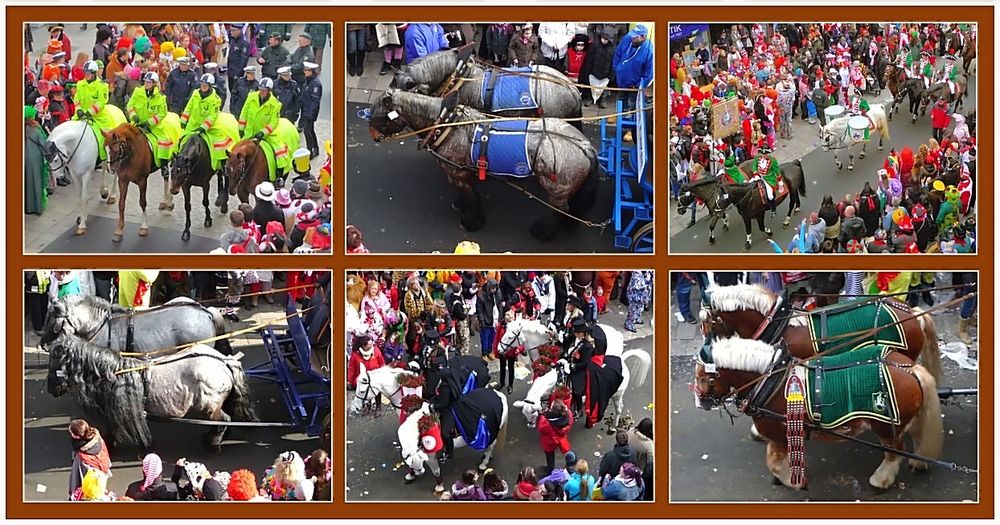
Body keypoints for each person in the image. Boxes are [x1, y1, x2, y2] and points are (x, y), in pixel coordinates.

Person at [73, 60, 124, 167]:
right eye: (85, 73)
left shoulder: (102, 86)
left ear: (94, 73)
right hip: (81, 114)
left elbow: (101, 102)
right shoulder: (80, 84)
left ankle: (104, 158)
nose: (86, 75)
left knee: (106, 136)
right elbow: (77, 99)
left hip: (98, 116)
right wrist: (78, 110)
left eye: (88, 73)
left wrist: (89, 112)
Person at [239, 77, 293, 177]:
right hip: (249, 133)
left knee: (280, 154)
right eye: (260, 89)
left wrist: (263, 132)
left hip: (266, 136)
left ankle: (279, 177)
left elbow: (273, 122)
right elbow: (244, 113)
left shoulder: (275, 105)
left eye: (264, 90)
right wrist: (241, 129)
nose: (261, 92)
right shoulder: (251, 97)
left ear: (269, 90)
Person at [612, 24, 653, 140]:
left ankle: (630, 130)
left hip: (634, 85)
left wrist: (641, 86)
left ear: (643, 37)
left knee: (632, 106)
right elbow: (618, 53)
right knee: (620, 100)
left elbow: (648, 74)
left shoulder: (649, 50)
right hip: (621, 80)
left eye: (636, 37)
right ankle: (618, 116)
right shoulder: (627, 39)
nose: (633, 38)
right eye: (632, 36)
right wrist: (616, 68)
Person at [126, 72, 175, 168]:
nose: (146, 84)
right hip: (137, 123)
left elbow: (162, 113)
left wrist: (149, 122)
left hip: (154, 127)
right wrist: (133, 116)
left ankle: (164, 167)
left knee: (164, 141)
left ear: (154, 84)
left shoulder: (161, 97)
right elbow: (130, 105)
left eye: (149, 82)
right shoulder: (137, 91)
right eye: (145, 82)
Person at [67, 419, 112, 499]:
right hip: (101, 475)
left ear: (77, 436)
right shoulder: (98, 439)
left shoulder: (81, 457)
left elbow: (77, 478)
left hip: (89, 485)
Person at [566, 317, 595, 419]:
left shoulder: (587, 346)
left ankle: (578, 409)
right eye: (575, 332)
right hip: (568, 364)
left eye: (578, 333)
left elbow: (585, 363)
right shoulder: (574, 339)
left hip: (579, 370)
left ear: (584, 333)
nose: (576, 334)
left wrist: (573, 366)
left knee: (577, 391)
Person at [537, 399, 574, 472]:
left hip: (550, 442)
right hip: (559, 438)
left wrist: (541, 416)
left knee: (549, 456)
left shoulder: (547, 423)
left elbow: (540, 428)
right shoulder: (568, 415)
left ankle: (550, 469)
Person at [24, 107, 50, 214]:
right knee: (36, 181)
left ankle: (27, 207)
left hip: (25, 158)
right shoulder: (35, 130)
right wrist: (40, 128)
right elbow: (44, 143)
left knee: (26, 182)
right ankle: (36, 207)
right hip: (35, 158)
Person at [299, 62, 322, 158]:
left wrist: (309, 114)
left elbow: (315, 101)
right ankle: (315, 149)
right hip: (306, 110)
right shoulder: (308, 81)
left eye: (306, 70)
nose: (304, 72)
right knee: (310, 130)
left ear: (310, 71)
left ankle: (310, 151)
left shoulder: (315, 84)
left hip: (310, 112)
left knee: (307, 131)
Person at [477, 279, 502, 361]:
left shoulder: (497, 294)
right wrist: (482, 321)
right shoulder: (481, 296)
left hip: (494, 320)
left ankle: (490, 351)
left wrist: (500, 317)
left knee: (493, 337)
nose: (493, 290)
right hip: (486, 320)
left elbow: (499, 305)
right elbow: (479, 310)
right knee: (485, 338)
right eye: (492, 288)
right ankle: (484, 353)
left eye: (495, 288)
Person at [226, 25, 253, 95]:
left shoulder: (244, 44)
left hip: (237, 73)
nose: (231, 32)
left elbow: (243, 61)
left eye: (233, 30)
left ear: (238, 31)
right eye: (231, 30)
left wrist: (238, 74)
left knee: (237, 93)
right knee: (231, 91)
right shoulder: (233, 41)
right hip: (230, 72)